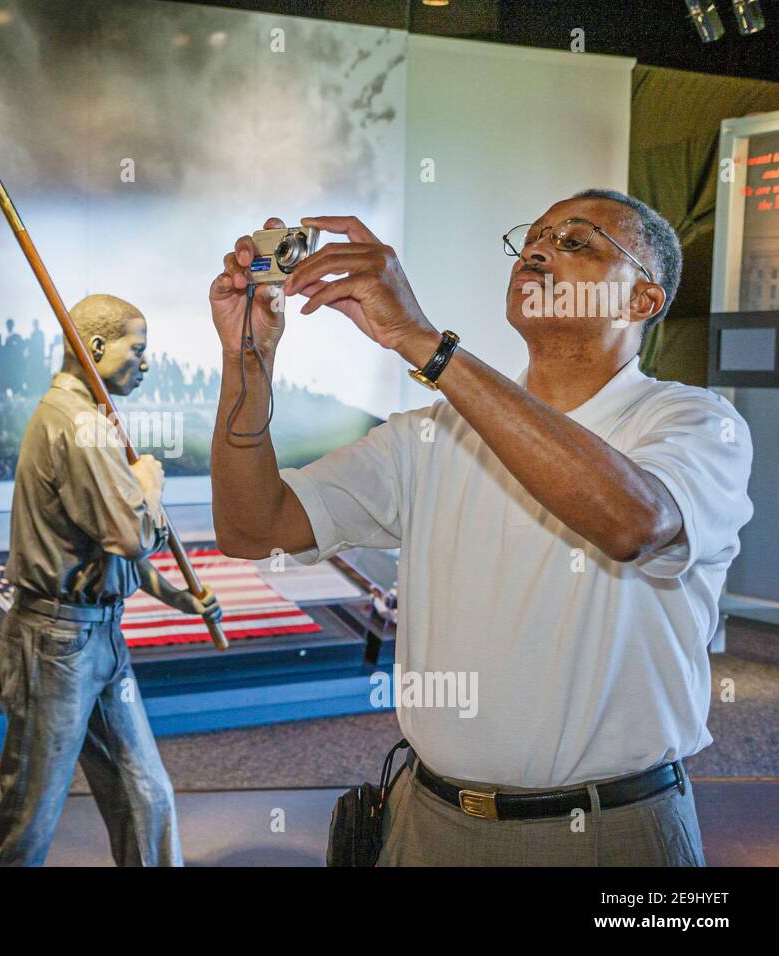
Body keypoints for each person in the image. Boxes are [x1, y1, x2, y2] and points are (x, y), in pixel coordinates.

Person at [208, 190, 754, 866]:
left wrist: (423, 343)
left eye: (578, 241)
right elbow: (253, 527)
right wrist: (246, 360)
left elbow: (631, 523)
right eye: (534, 237)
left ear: (644, 300)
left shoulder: (693, 423)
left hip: (610, 836)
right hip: (429, 821)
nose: (538, 248)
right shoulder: (431, 437)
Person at [0, 293, 220, 867]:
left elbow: (113, 555)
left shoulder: (94, 422)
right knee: (29, 818)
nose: (147, 362)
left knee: (147, 796)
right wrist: (150, 487)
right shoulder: (78, 425)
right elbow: (131, 534)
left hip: (100, 640)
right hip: (57, 647)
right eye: (139, 349)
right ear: (96, 348)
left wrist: (179, 598)